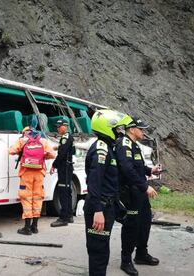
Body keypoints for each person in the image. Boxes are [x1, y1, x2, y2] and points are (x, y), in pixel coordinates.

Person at [115, 116, 161, 276]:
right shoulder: (123, 144)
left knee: (145, 222)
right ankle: (125, 260)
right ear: (132, 129)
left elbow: (137, 166)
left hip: (139, 192)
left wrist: (150, 170)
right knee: (131, 226)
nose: (143, 131)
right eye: (141, 129)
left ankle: (141, 253)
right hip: (129, 192)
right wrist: (145, 186)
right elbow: (127, 170)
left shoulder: (134, 145)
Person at [84, 110, 127, 276]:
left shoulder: (109, 148)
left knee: (102, 248)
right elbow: (94, 182)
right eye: (117, 129)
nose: (119, 132)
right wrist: (98, 211)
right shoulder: (101, 150)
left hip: (107, 205)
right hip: (99, 206)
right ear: (106, 128)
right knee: (98, 251)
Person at [9, 126, 55, 235]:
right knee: (37, 197)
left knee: (26, 197)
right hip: (39, 173)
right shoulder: (43, 141)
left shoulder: (22, 140)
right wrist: (41, 158)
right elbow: (52, 154)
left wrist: (21, 152)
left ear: (25, 133)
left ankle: (26, 228)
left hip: (26, 173)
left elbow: (11, 151)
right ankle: (35, 227)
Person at [50, 119, 75, 227]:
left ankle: (63, 218)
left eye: (59, 126)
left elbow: (62, 155)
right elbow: (69, 150)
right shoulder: (68, 137)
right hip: (67, 167)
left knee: (63, 193)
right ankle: (69, 215)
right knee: (67, 191)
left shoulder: (65, 138)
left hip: (64, 168)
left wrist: (54, 165)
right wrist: (59, 147)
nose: (58, 128)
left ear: (65, 126)